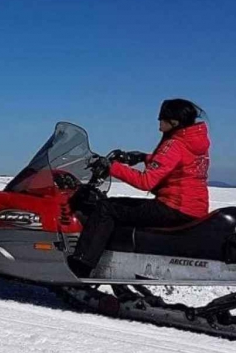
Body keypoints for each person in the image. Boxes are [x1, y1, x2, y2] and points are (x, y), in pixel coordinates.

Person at [67, 99, 211, 278]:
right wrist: (143, 158)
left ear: (174, 122)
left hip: (173, 208)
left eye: (162, 121)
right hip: (193, 209)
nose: (159, 127)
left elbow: (146, 182)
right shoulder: (194, 141)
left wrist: (111, 167)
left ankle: (81, 265)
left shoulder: (174, 144)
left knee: (106, 208)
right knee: (119, 209)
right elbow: (178, 163)